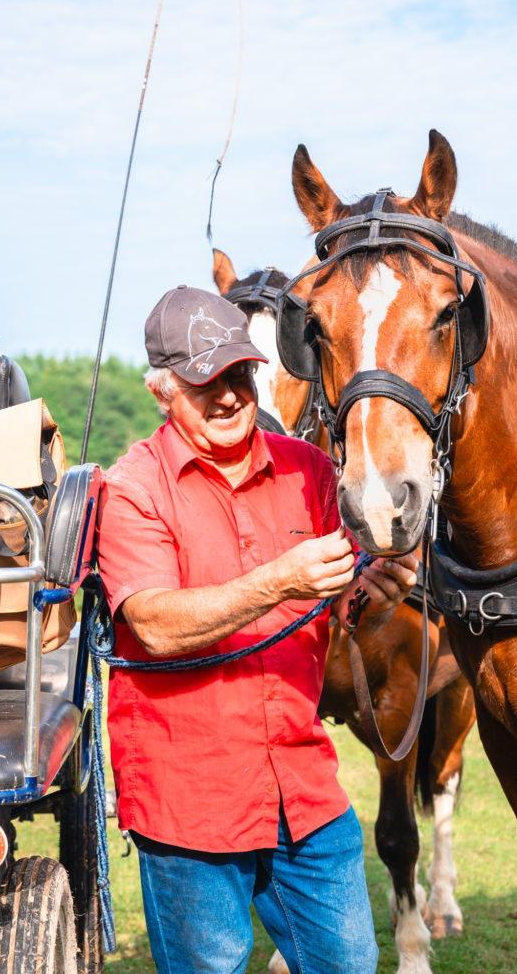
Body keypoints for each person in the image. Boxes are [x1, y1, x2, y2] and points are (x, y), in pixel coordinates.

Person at [95, 285, 418, 974]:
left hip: (302, 785)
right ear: (162, 391)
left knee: (351, 964)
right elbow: (153, 624)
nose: (230, 395)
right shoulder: (132, 489)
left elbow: (335, 603)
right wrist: (282, 579)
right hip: (190, 799)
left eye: (240, 373)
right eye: (205, 380)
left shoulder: (310, 471)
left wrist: (368, 596)